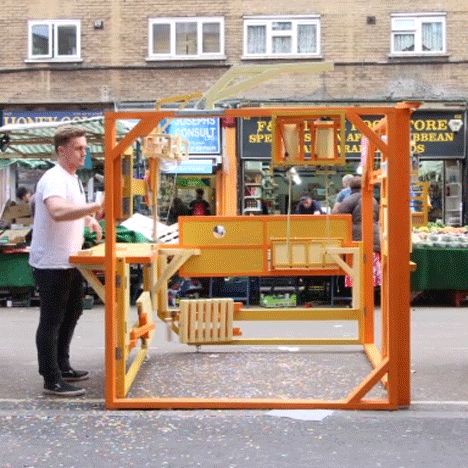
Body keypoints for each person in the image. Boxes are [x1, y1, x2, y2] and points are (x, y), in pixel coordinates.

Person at [29, 125, 103, 397]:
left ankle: (63, 365)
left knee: (72, 312)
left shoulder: (72, 178)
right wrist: (93, 207)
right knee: (52, 320)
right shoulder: (54, 178)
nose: (84, 152)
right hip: (51, 262)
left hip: (69, 260)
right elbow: (58, 211)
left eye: (85, 147)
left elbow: (71, 207)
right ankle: (52, 379)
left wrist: (88, 218)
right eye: (78, 148)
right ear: (62, 150)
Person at [332, 176, 381, 287]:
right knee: (369, 272)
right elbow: (377, 217)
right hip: (374, 237)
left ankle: (357, 299)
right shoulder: (372, 199)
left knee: (357, 271)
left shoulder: (350, 199)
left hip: (358, 239)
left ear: (350, 187)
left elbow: (337, 215)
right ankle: (370, 299)